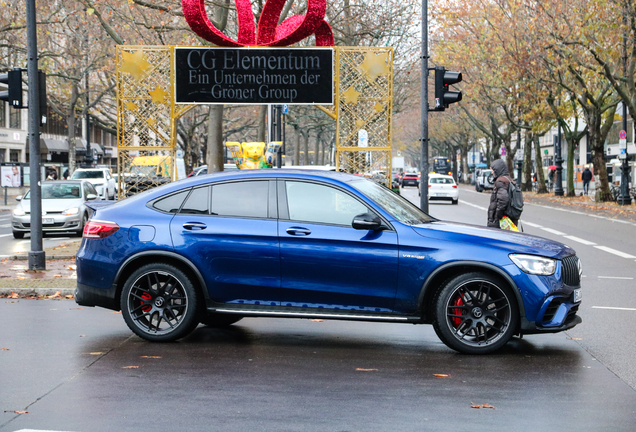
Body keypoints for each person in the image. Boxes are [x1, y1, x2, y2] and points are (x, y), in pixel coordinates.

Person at [487, 159, 519, 229]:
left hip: (500, 221)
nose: (492, 173)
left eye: (493, 170)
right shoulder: (509, 180)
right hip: (510, 219)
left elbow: (503, 199)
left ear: (497, 170)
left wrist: (498, 216)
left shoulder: (500, 182)